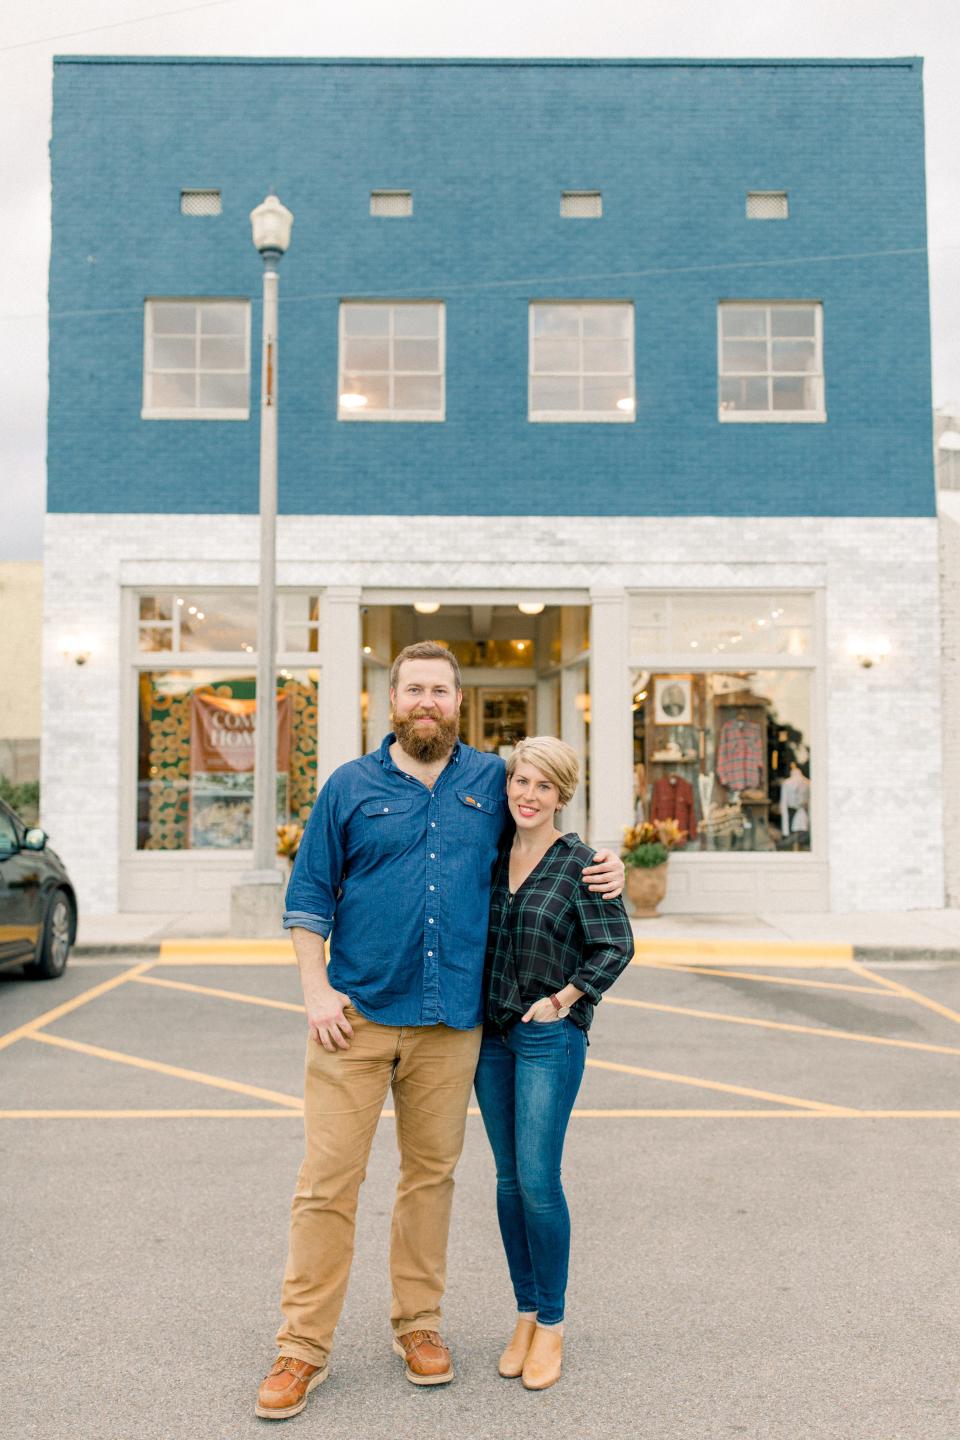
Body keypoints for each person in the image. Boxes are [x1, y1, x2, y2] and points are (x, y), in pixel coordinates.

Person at [255, 642, 625, 1420]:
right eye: (414, 689)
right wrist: (315, 990)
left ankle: (419, 1327)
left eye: (441, 691)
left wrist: (608, 862)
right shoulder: (349, 787)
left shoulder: (491, 780)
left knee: (429, 1184)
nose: (428, 701)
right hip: (352, 1022)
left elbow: (544, 812)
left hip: (453, 1025)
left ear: (459, 702)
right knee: (327, 1186)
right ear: (390, 700)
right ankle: (301, 1349)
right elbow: (308, 895)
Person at [473, 735, 634, 1392]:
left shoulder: (584, 864)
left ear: (563, 793)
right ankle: (524, 1312)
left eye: (543, 785)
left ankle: (554, 1323)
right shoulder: (486, 856)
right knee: (508, 1182)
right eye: (520, 782)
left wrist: (564, 1000)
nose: (528, 795)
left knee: (539, 1181)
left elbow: (615, 946)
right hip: (488, 1037)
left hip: (547, 1038)